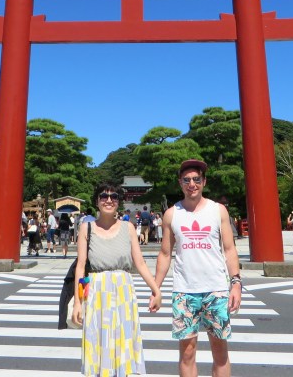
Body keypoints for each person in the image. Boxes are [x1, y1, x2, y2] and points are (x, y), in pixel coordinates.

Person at [155, 159, 242, 377]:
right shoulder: (171, 214)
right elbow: (165, 254)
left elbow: (229, 249)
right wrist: (156, 288)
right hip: (184, 291)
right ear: (180, 183)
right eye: (186, 180)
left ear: (204, 181)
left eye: (196, 179)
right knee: (187, 352)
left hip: (216, 289)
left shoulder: (218, 210)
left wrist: (236, 283)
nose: (191, 184)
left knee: (220, 351)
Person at [72, 183, 161, 377]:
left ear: (119, 202)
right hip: (96, 291)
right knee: (98, 343)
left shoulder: (128, 228)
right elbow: (81, 267)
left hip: (123, 291)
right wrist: (77, 302)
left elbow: (140, 263)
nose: (109, 200)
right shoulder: (86, 228)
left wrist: (156, 290)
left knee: (123, 344)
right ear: (97, 201)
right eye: (104, 196)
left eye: (114, 197)